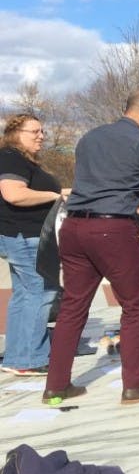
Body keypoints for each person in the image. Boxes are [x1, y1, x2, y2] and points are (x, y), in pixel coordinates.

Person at [44, 89, 139, 405]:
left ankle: (56, 385)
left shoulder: (88, 138)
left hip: (73, 227)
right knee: (134, 305)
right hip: (113, 228)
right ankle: (135, 386)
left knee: (73, 305)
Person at [0, 113, 69, 376]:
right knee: (41, 292)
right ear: (16, 134)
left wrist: (60, 194)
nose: (41, 136)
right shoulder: (11, 157)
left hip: (23, 237)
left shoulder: (21, 160)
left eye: (42, 131)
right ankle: (28, 359)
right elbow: (13, 194)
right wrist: (54, 195)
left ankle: (17, 356)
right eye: (35, 131)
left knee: (24, 294)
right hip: (25, 236)